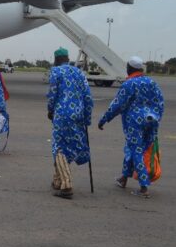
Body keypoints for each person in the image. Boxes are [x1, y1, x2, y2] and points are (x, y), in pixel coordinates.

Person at [98, 56, 164, 198]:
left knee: (136, 151)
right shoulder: (152, 82)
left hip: (135, 122)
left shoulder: (129, 84)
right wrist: (156, 118)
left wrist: (104, 119)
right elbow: (160, 103)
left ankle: (144, 187)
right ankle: (124, 178)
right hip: (151, 121)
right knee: (135, 148)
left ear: (130, 68)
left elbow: (117, 105)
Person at [47, 47, 93, 199]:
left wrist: (50, 110)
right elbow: (88, 97)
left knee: (59, 147)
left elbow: (53, 94)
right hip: (78, 113)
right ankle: (57, 180)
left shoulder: (56, 72)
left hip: (62, 114)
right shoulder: (79, 72)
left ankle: (66, 185)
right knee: (71, 145)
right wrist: (87, 118)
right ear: (67, 58)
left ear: (56, 59)